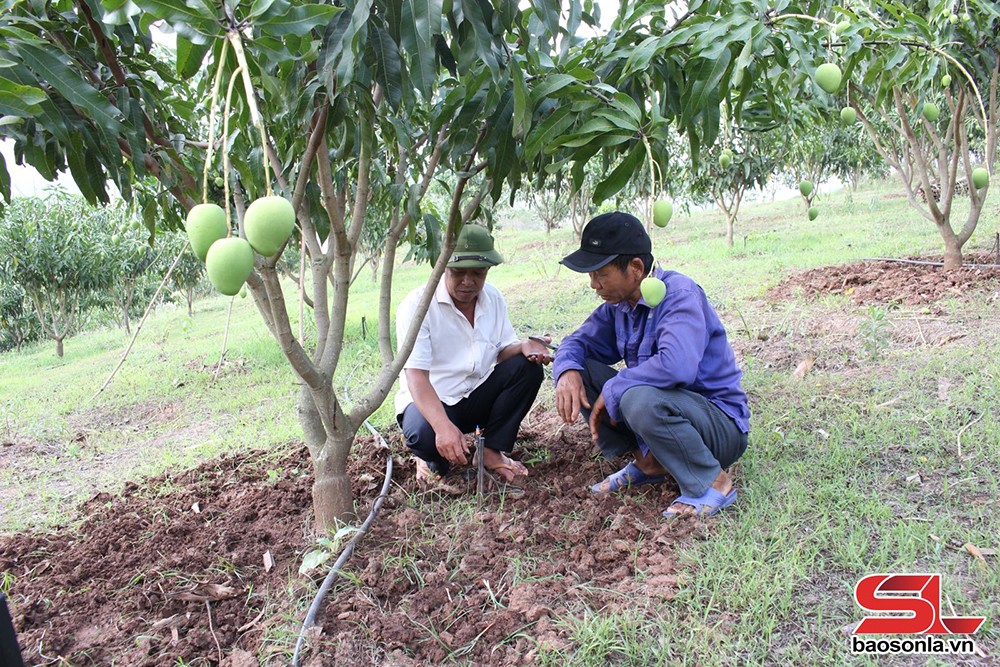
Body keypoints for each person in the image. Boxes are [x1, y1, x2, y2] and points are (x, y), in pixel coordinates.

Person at [552, 211, 750, 517]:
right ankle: (650, 462)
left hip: (718, 428)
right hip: (671, 417)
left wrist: (616, 386)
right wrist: (566, 371)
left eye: (600, 274)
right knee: (583, 369)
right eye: (591, 276)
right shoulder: (619, 305)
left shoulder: (678, 295)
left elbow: (677, 366)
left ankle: (712, 482)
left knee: (636, 397)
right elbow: (577, 343)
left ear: (635, 268)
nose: (594, 284)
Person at [395, 223, 554, 490]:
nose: (468, 281)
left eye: (478, 273)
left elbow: (502, 352)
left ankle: (490, 450)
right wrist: (443, 428)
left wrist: (524, 346)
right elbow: (417, 378)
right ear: (443, 267)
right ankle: (429, 458)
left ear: (487, 270)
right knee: (424, 436)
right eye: (458, 272)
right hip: (435, 402)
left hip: (475, 395)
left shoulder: (493, 299)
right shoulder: (417, 306)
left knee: (526, 368)